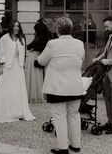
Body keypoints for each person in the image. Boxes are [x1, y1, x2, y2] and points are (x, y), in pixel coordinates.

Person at [36, 17, 85, 154]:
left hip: (57, 87)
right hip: (75, 85)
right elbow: (81, 59)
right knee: (74, 115)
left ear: (57, 29)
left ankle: (63, 148)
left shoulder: (53, 44)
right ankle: (75, 145)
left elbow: (41, 61)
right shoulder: (79, 43)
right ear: (71, 29)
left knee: (59, 116)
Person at [0, 20, 35, 123]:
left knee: (18, 88)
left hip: (18, 67)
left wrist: (23, 64)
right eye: (14, 26)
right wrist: (1, 66)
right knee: (5, 88)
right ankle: (4, 112)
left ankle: (18, 111)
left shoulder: (21, 38)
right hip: (7, 67)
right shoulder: (4, 38)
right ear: (10, 27)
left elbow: (23, 53)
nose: (16, 28)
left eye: (18, 26)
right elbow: (1, 53)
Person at [25, 19, 52, 103]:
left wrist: (31, 47)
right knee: (40, 77)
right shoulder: (48, 35)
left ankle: (34, 95)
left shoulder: (38, 37)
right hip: (42, 57)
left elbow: (29, 46)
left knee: (34, 77)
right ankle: (41, 94)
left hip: (35, 57)